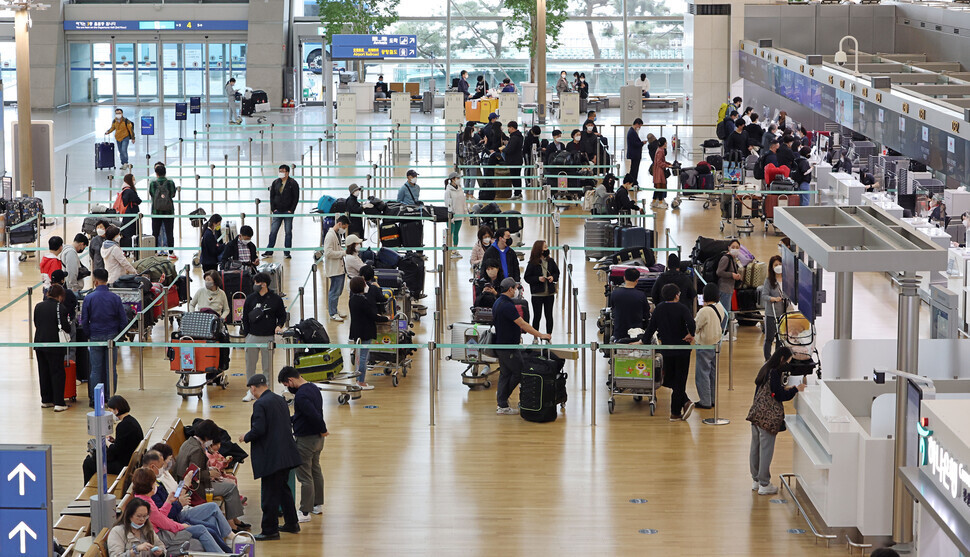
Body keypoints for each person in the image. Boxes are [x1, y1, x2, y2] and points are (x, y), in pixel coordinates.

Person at [238, 374, 303, 541]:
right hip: (287, 454)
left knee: (270, 495)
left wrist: (246, 436)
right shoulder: (279, 399)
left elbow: (259, 429)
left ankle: (270, 530)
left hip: (273, 457)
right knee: (283, 490)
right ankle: (292, 523)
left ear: (253, 388)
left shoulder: (260, 404)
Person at [142, 450, 234, 551]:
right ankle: (228, 547)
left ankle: (228, 548)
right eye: (163, 463)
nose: (165, 465)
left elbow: (163, 513)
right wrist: (180, 518)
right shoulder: (148, 496)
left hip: (175, 514)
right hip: (171, 524)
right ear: (152, 466)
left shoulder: (157, 480)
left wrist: (172, 500)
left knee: (211, 522)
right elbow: (163, 519)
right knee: (204, 528)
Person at [129, 468, 226, 553]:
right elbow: (164, 523)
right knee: (201, 529)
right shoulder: (145, 504)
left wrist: (168, 502)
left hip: (161, 531)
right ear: (149, 486)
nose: (156, 485)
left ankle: (224, 552)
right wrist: (181, 526)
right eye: (154, 483)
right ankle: (222, 554)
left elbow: (159, 517)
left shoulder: (141, 498)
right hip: (161, 536)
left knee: (206, 525)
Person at [747, 346, 803, 495]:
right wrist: (795, 390)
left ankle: (756, 480)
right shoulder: (775, 372)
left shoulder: (766, 368)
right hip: (768, 418)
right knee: (766, 450)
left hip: (756, 414)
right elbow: (779, 396)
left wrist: (784, 388)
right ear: (782, 359)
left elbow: (769, 391)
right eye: (788, 362)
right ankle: (765, 484)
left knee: (755, 447)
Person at [492, 277, 552, 414]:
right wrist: (540, 334)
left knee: (505, 373)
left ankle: (502, 403)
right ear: (510, 289)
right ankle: (502, 400)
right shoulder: (507, 306)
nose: (516, 291)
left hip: (501, 345)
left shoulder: (498, 302)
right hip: (509, 347)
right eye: (515, 288)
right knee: (519, 371)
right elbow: (522, 324)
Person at [173, 420, 246, 530]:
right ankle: (232, 524)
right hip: (196, 489)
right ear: (207, 437)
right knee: (230, 487)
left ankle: (234, 520)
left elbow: (193, 468)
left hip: (184, 484)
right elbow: (193, 475)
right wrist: (210, 473)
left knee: (229, 484)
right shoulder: (197, 450)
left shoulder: (189, 442)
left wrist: (209, 469)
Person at [278, 367, 329, 523]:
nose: (287, 387)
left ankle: (305, 511)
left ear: (291, 381)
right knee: (316, 470)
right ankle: (317, 504)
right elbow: (305, 415)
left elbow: (313, 416)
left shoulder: (301, 396)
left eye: (286, 384)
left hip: (306, 439)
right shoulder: (313, 388)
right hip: (318, 440)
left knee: (305, 476)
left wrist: (323, 429)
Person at [643, 284, 697, 421]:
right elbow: (691, 323)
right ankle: (676, 410)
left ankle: (683, 404)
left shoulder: (659, 309)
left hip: (666, 350)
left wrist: (643, 341)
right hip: (682, 349)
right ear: (676, 295)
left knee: (668, 378)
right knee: (680, 379)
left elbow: (651, 328)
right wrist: (691, 334)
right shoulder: (682, 308)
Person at [81, 269, 129, 402]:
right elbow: (123, 320)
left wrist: (88, 333)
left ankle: (95, 399)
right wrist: (119, 335)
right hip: (111, 337)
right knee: (111, 368)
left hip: (95, 336)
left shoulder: (89, 298)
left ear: (95, 281)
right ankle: (110, 397)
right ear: (106, 280)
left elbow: (84, 320)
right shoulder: (115, 298)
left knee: (95, 369)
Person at [240, 272, 286, 396]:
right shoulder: (250, 299)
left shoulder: (276, 299)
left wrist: (279, 326)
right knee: (250, 364)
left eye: (257, 283)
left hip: (268, 338)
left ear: (264, 284)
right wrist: (247, 334)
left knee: (267, 366)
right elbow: (245, 317)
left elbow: (282, 315)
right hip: (252, 337)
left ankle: (267, 390)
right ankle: (251, 390)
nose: (255, 285)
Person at [82, 395, 144, 483]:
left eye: (110, 411)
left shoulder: (123, 426)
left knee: (88, 463)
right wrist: (114, 441)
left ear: (116, 410)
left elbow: (115, 450)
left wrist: (106, 441)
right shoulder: (132, 421)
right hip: (129, 460)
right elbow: (124, 443)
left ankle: (90, 487)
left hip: (122, 465)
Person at [34, 284, 71, 412]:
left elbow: (36, 323)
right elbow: (66, 327)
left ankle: (46, 399)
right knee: (57, 372)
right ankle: (59, 402)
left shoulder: (38, 306)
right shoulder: (61, 308)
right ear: (60, 296)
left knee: (43, 371)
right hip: (55, 345)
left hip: (39, 343)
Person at [348, 276, 388, 389]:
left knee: (359, 356)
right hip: (365, 331)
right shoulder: (363, 301)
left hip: (356, 331)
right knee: (363, 357)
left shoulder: (352, 299)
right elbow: (372, 316)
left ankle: (358, 379)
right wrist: (386, 319)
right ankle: (361, 381)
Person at [694, 283, 726, 409]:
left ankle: (705, 401)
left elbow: (695, 327)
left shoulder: (704, 311)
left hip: (704, 344)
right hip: (716, 342)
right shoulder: (719, 307)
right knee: (713, 373)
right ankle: (712, 399)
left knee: (702, 373)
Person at [523, 240, 560, 335]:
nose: (547, 249)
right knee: (537, 316)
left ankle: (549, 335)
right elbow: (527, 277)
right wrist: (538, 279)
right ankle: (535, 336)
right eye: (545, 247)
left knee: (549, 315)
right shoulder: (532, 263)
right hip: (537, 294)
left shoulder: (550, 261)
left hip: (549, 293)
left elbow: (557, 273)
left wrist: (553, 277)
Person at [265, 164, 299, 259]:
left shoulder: (293, 183)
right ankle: (269, 251)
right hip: (277, 211)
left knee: (288, 232)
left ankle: (287, 252)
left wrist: (291, 210)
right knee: (273, 231)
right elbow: (272, 196)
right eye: (280, 171)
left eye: (283, 171)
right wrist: (273, 208)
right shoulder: (275, 182)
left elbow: (296, 198)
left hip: (288, 212)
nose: (281, 173)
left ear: (287, 172)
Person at [609, 267, 651, 341]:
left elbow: (613, 310)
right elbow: (646, 314)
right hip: (636, 334)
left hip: (619, 332)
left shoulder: (615, 293)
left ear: (624, 278)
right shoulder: (641, 295)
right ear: (637, 280)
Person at [324, 215, 350, 321]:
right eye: (344, 227)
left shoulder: (336, 235)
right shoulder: (330, 236)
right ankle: (332, 313)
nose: (344, 230)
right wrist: (343, 253)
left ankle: (334, 309)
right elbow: (328, 253)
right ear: (339, 224)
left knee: (338, 291)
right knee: (334, 291)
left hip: (339, 268)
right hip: (334, 269)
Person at [149, 163, 177, 258]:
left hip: (156, 211)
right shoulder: (170, 183)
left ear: (156, 173)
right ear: (165, 172)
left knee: (155, 232)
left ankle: (155, 252)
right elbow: (173, 194)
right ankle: (171, 252)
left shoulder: (153, 183)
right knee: (169, 232)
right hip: (169, 211)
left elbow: (152, 194)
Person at [761, 255, 785, 361]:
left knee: (780, 338)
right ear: (772, 267)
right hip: (772, 313)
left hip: (784, 314)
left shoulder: (787, 280)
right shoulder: (769, 281)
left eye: (780, 264)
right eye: (776, 265)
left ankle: (777, 359)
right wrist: (773, 298)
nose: (778, 266)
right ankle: (767, 359)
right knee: (769, 338)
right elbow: (764, 295)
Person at [444, 172, 468, 258]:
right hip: (452, 216)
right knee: (450, 233)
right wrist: (451, 215)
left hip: (460, 214)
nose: (459, 180)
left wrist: (465, 212)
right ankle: (449, 250)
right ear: (453, 179)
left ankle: (455, 250)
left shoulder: (460, 189)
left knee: (456, 233)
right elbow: (447, 204)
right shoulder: (448, 191)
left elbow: (463, 200)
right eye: (457, 178)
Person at [716, 240, 742, 315]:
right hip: (724, 289)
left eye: (737, 247)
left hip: (729, 289)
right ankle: (722, 327)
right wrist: (732, 275)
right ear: (728, 247)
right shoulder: (726, 258)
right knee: (724, 312)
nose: (735, 249)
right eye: (733, 247)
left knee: (726, 311)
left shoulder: (733, 258)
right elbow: (719, 272)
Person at [116, 174, 141, 248]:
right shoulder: (129, 191)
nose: (134, 180)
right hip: (131, 215)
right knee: (131, 232)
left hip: (128, 214)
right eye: (133, 179)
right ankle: (130, 248)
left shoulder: (124, 190)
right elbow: (138, 200)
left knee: (127, 232)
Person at [500, 121, 524, 199]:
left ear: (512, 128)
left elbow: (510, 149)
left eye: (509, 128)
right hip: (518, 159)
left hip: (514, 160)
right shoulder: (519, 136)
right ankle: (518, 193)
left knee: (515, 177)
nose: (508, 130)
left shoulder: (514, 137)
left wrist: (504, 149)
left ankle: (517, 193)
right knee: (517, 176)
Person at [458, 124, 483, 195]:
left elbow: (473, 148)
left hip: (467, 162)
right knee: (473, 178)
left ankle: (466, 192)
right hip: (472, 161)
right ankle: (471, 193)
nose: (473, 133)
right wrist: (484, 145)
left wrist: (479, 143)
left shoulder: (464, 141)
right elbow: (476, 150)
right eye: (472, 131)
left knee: (468, 177)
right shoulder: (469, 141)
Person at [651, 137, 671, 209]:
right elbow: (659, 162)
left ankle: (654, 201)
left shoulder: (660, 150)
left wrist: (668, 164)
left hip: (658, 170)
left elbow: (662, 161)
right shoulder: (660, 151)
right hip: (659, 171)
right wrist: (667, 165)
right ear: (664, 143)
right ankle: (660, 202)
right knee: (660, 186)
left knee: (658, 187)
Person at [626, 118, 645, 183]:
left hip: (634, 154)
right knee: (634, 169)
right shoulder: (632, 132)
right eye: (639, 126)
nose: (639, 127)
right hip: (635, 154)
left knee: (634, 169)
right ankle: (633, 182)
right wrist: (642, 143)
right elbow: (634, 144)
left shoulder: (632, 131)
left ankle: (633, 182)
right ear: (637, 124)